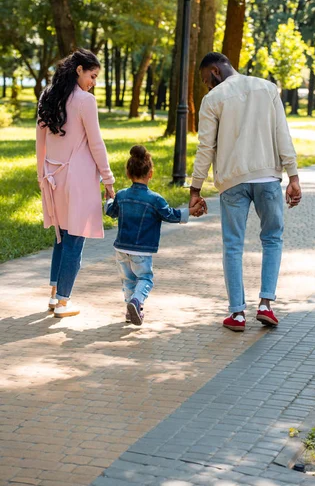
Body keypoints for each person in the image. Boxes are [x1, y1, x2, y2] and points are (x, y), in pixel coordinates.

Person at [190, 52, 302, 332]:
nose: (207, 86)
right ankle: (265, 305)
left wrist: (195, 188)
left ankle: (237, 314)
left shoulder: (213, 100)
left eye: (206, 80)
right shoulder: (267, 89)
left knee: (232, 245)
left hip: (232, 182)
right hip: (267, 177)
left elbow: (206, 147)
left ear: (215, 71)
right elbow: (282, 134)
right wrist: (293, 176)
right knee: (273, 239)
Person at [36, 48, 115, 318]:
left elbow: (40, 143)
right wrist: (108, 179)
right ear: (79, 70)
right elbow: (96, 143)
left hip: (53, 177)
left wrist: (41, 176)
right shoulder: (85, 101)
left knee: (60, 237)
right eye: (92, 75)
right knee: (74, 240)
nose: (93, 82)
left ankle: (54, 295)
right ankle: (63, 302)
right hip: (79, 180)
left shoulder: (48, 95)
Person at [105, 145, 204, 326]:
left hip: (120, 248)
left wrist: (109, 198)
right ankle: (136, 302)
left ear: (128, 173)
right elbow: (171, 215)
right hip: (141, 250)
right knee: (145, 279)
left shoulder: (121, 195)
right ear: (150, 174)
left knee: (128, 280)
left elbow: (111, 212)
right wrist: (190, 211)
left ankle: (130, 310)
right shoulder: (155, 199)